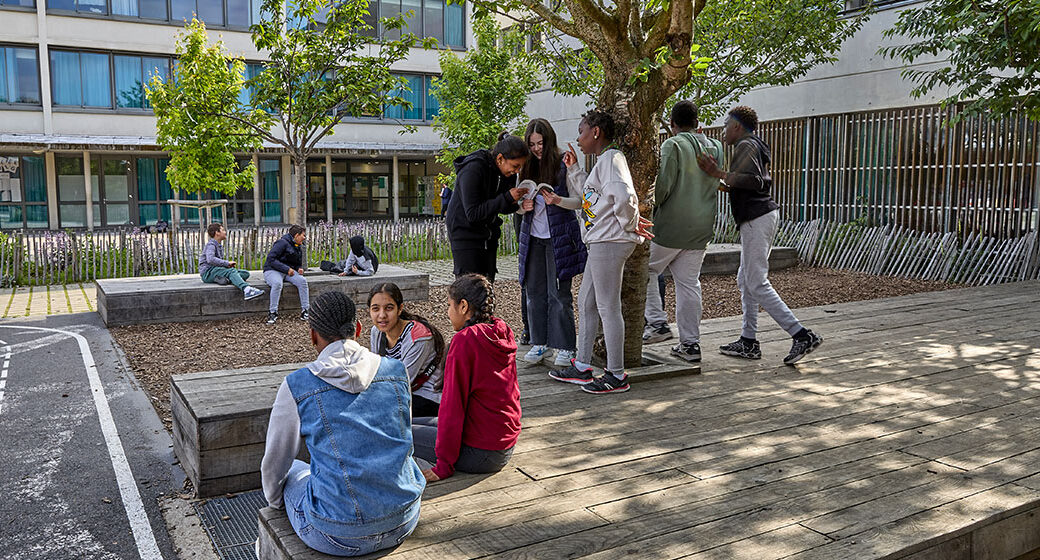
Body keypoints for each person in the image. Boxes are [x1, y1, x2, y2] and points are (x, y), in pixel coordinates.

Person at [260, 291, 425, 557]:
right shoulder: (396, 370)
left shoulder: (297, 385)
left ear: (313, 335)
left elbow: (275, 461)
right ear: (358, 328)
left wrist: (276, 504)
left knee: (295, 470)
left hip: (337, 534)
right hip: (403, 519)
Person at [696, 105, 823, 365]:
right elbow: (752, 180)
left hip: (756, 217)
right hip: (760, 216)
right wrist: (720, 182)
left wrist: (717, 173)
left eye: (725, 125)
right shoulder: (754, 143)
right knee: (746, 279)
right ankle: (749, 341)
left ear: (737, 126)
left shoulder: (746, 145)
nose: (722, 131)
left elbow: (754, 181)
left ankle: (801, 334)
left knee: (756, 281)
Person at [544, 110, 654, 394]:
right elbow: (589, 201)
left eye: (581, 131)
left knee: (607, 306)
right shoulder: (603, 162)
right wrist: (575, 170)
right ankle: (582, 367)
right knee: (587, 302)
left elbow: (625, 196)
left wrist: (629, 225)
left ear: (596, 132)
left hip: (610, 242)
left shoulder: (613, 159)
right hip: (601, 241)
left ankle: (616, 375)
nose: (578, 138)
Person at [411, 274, 521, 482]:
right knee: (405, 423)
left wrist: (443, 466)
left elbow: (453, 407)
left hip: (481, 453)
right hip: (503, 445)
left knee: (394, 433)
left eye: (449, 305)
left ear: (463, 306)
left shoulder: (466, 341)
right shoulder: (501, 330)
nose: (447, 312)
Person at [641, 100, 725, 363]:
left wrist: (651, 205)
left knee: (647, 269)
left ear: (673, 124)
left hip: (671, 225)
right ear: (697, 122)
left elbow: (664, 185)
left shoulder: (673, 144)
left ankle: (657, 324)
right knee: (689, 283)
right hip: (701, 227)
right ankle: (690, 344)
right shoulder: (716, 146)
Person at [515, 118, 587, 367]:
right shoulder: (526, 167)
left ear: (550, 141)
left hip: (559, 239)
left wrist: (558, 200)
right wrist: (522, 207)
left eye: (540, 143)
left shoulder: (562, 161)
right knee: (534, 293)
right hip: (533, 238)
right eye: (532, 144)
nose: (536, 149)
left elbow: (580, 201)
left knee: (559, 294)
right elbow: (518, 204)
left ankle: (566, 346)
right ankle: (540, 342)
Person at [445, 132, 531, 282]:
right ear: (500, 159)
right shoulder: (473, 168)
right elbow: (473, 213)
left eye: (520, 167)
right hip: (465, 234)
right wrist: (507, 198)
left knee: (487, 286)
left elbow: (501, 206)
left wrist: (517, 204)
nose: (517, 171)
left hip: (489, 236)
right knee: (469, 289)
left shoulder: (507, 174)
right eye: (515, 166)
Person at [368, 282, 445, 418]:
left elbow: (403, 381)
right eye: (375, 309)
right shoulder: (377, 332)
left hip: (425, 396)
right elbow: (376, 370)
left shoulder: (419, 338)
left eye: (389, 308)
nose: (382, 315)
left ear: (400, 309)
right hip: (397, 391)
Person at [198, 222, 265, 301]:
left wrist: (226, 266)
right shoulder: (211, 245)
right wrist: (226, 263)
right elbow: (210, 259)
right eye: (223, 230)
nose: (225, 232)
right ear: (217, 233)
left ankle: (224, 279)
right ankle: (247, 290)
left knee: (245, 273)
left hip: (215, 271)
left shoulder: (218, 245)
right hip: (208, 273)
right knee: (231, 272)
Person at [264, 224, 310, 325]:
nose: (304, 237)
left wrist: (299, 268)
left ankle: (305, 311)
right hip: (272, 270)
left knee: (302, 281)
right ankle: (273, 312)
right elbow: (271, 259)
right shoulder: (282, 243)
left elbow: (297, 262)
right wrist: (286, 269)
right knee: (277, 283)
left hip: (289, 272)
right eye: (303, 235)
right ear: (296, 235)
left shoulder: (298, 246)